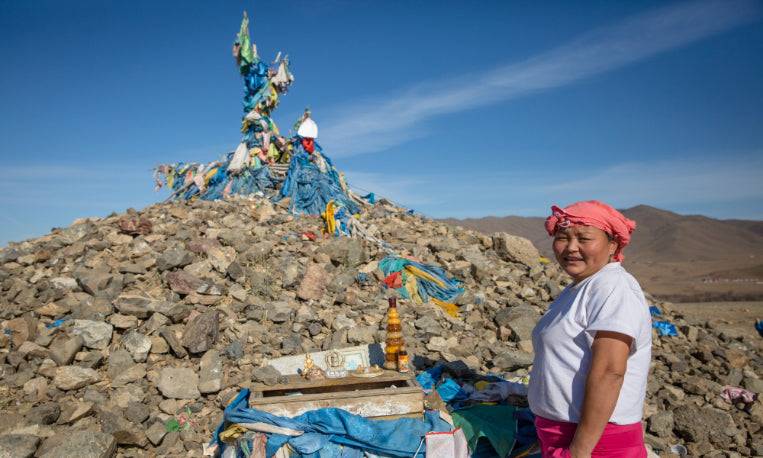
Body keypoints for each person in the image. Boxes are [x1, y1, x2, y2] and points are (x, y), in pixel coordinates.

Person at [528, 200, 652, 458]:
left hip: (598, 442)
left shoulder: (612, 287)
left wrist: (580, 450)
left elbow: (610, 371)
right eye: (563, 238)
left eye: (584, 238)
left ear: (613, 245)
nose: (571, 248)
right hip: (561, 432)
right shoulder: (581, 286)